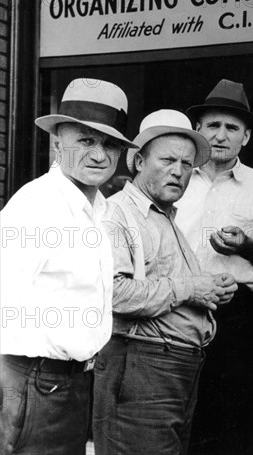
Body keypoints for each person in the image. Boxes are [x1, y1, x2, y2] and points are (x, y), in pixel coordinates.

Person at [0, 78, 136, 455]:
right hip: (34, 382)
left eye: (109, 143)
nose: (98, 155)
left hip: (73, 383)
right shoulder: (38, 205)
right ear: (57, 142)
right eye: (86, 140)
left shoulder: (98, 208)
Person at [92, 109, 238, 455]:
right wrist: (192, 288)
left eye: (187, 164)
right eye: (168, 160)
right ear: (139, 161)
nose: (178, 171)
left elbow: (166, 281)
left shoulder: (164, 216)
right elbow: (114, 293)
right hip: (142, 366)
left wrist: (209, 286)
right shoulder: (117, 214)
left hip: (172, 369)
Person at [175, 79, 253, 454]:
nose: (221, 136)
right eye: (213, 126)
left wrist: (251, 247)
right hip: (178, 309)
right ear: (197, 131)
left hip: (239, 317)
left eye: (232, 128)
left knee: (233, 423)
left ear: (246, 138)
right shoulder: (175, 180)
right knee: (177, 415)